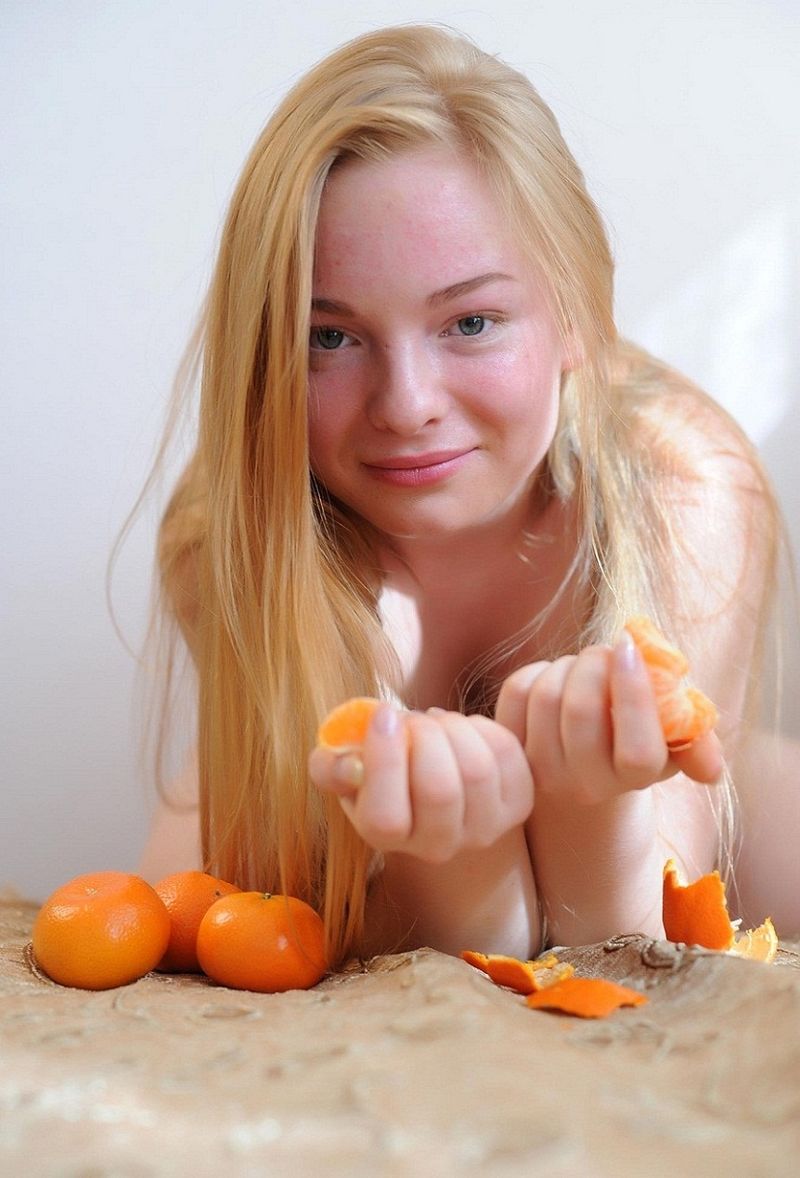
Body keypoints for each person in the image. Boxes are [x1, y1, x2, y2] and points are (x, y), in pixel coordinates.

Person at [138, 24, 794, 966]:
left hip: (730, 842)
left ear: (580, 318)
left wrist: (589, 810)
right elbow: (206, 904)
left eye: (471, 322)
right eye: (330, 338)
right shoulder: (241, 531)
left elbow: (645, 933)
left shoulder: (683, 485)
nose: (405, 407)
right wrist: (454, 870)